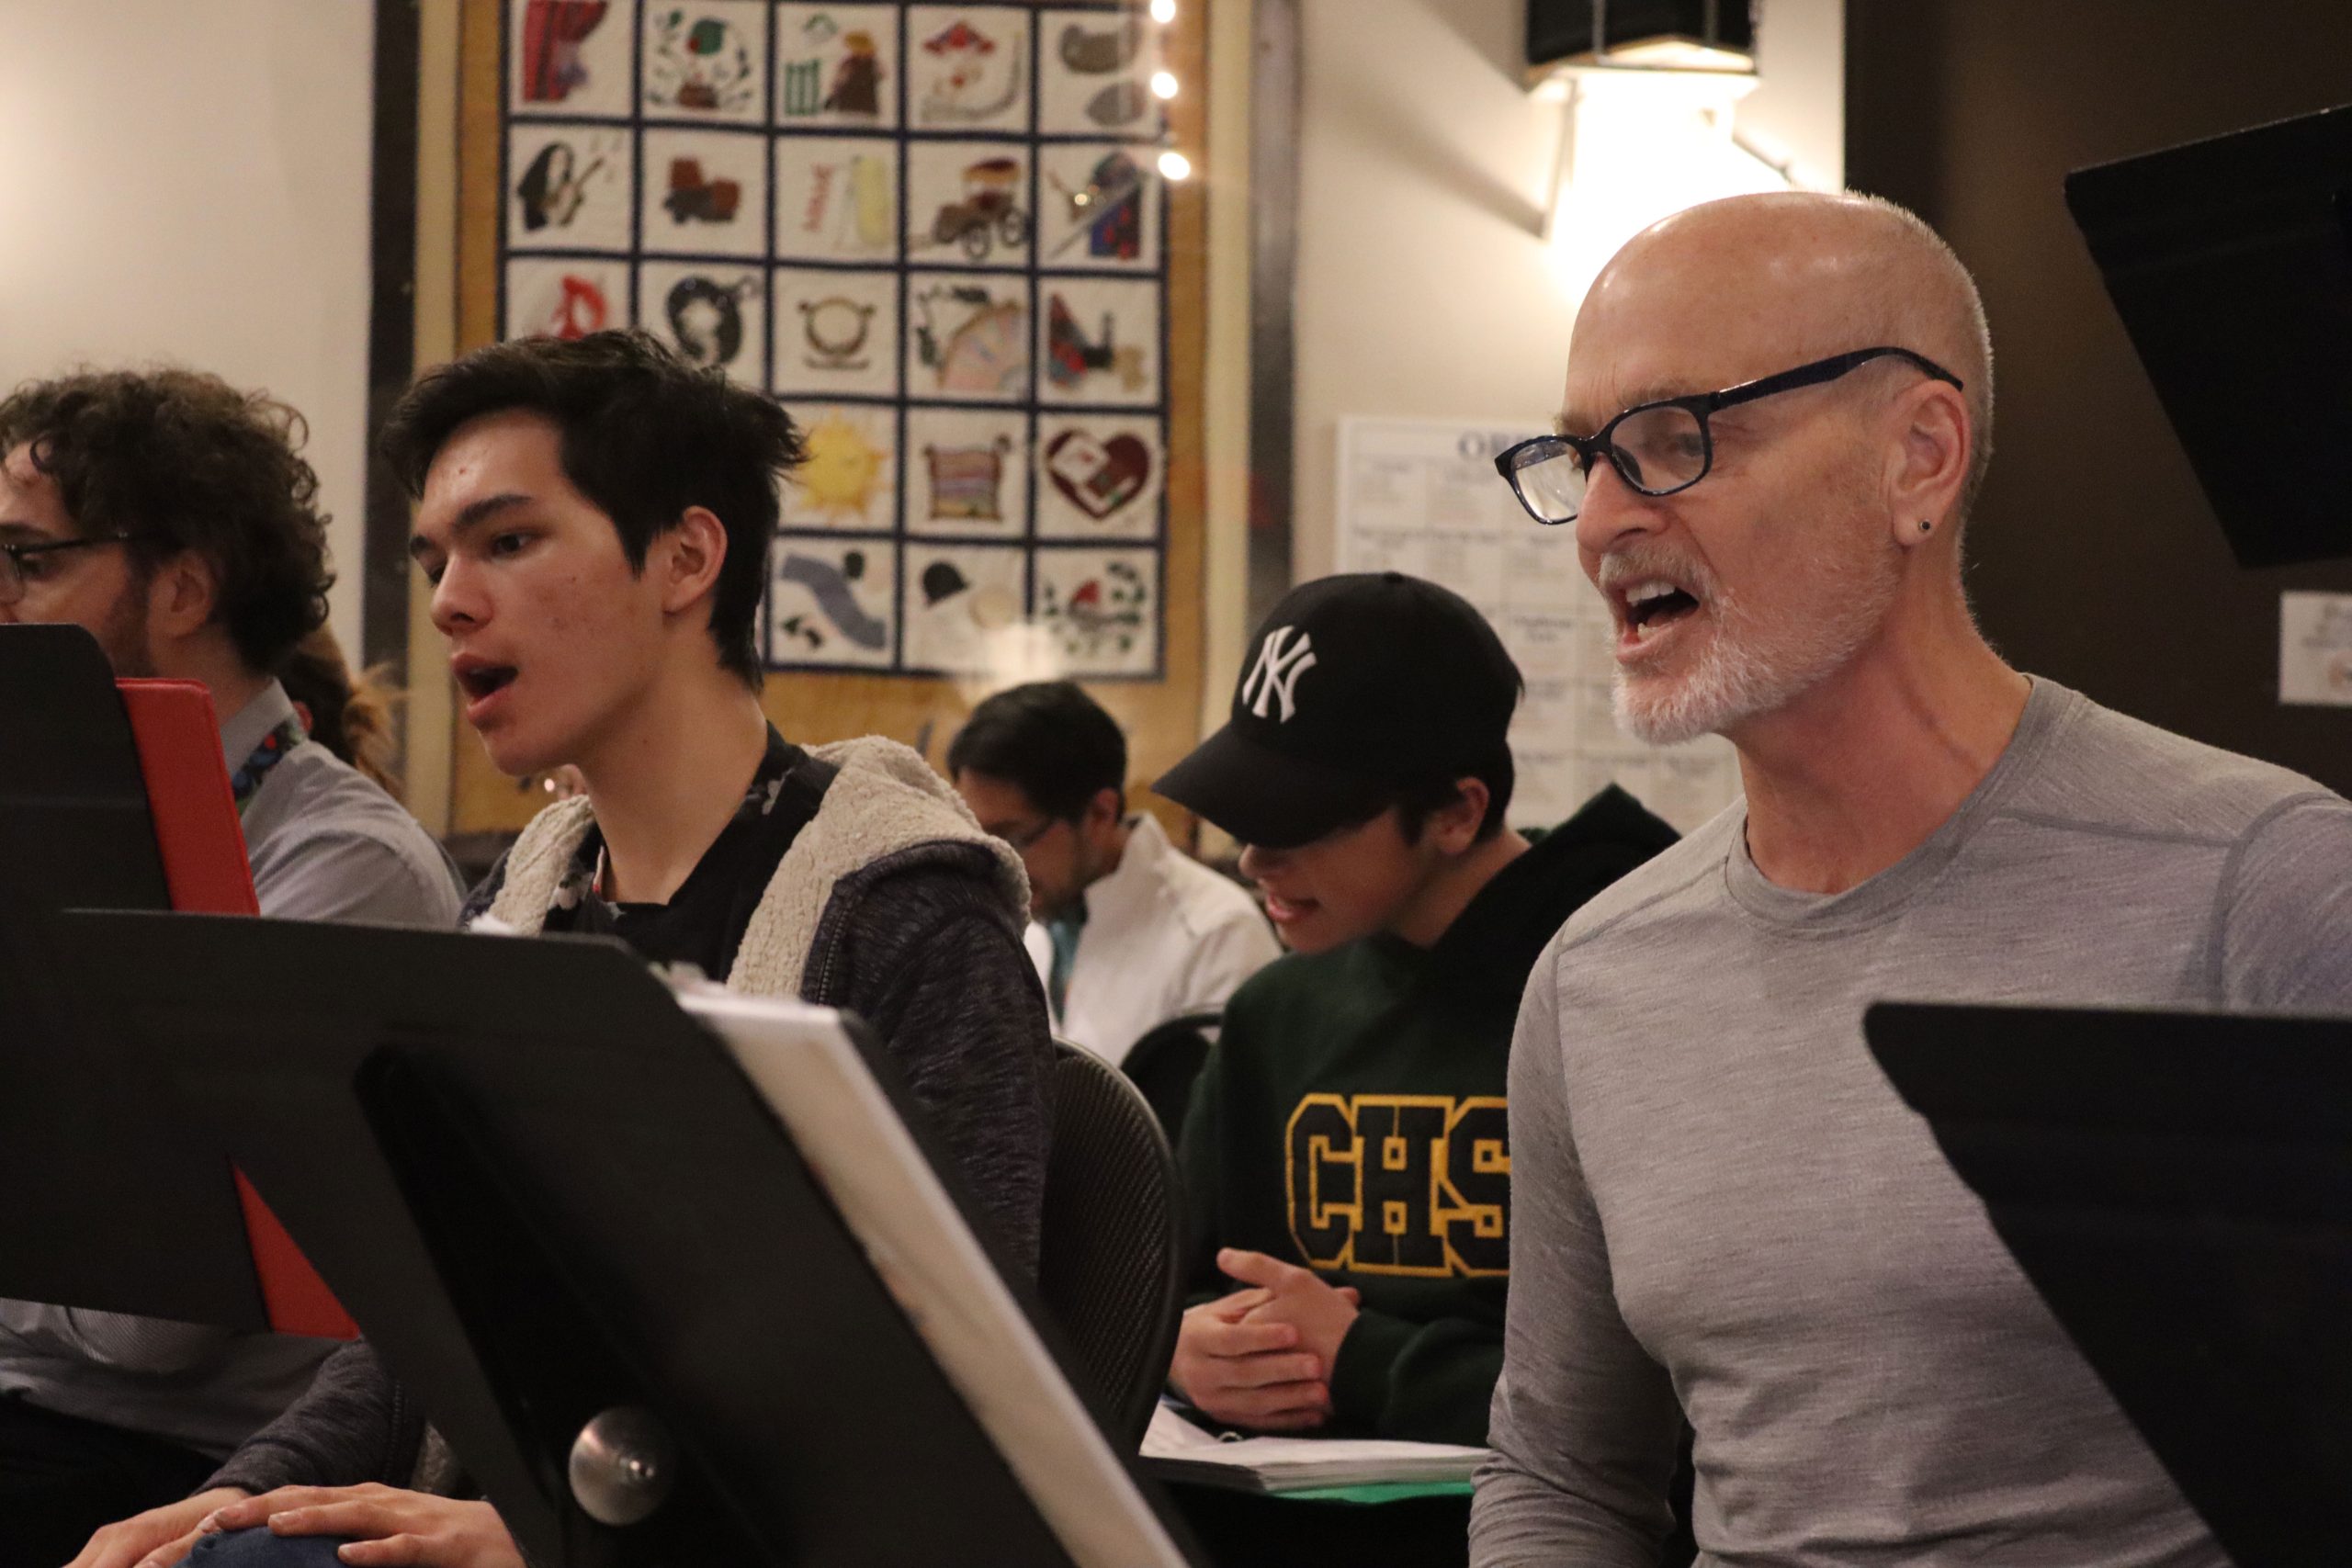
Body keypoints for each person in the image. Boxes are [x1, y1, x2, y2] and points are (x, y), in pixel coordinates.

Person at [69, 330, 1054, 1568]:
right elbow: (426, 1323)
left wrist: (556, 1537)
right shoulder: (532, 895)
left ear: (687, 557)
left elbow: (947, 1413)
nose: (447, 599)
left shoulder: (906, 912)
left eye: (510, 540)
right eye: (436, 558)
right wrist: (243, 1489)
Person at [1469, 190, 2352, 1568]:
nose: (1597, 522)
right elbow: (1562, 1472)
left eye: (1669, 441)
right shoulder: (1597, 974)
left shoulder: (2263, 884)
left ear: (1919, 458)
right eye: (1582, 456)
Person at [0, 368, 464, 1567]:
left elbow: (148, 1318)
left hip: (171, 1451)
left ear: (185, 583)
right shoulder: (38, 811)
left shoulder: (348, 866)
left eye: (32, 560)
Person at [1155, 572, 1677, 1447]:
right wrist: (1185, 1347)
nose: (1253, 862)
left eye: (1299, 825)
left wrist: (1369, 1360)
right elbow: (1177, 1282)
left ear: (1454, 812)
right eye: (1245, 819)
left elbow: (1676, 1390)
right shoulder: (1274, 1011)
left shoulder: (1629, 988)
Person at [949, 680, 1280, 1064]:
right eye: (976, 837)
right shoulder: (1020, 918)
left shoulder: (1218, 936)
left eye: (1013, 839)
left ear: (1100, 813)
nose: (993, 866)